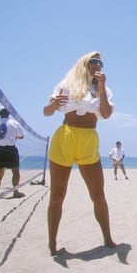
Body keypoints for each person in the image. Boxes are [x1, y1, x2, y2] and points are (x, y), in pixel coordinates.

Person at [43, 51, 116, 256]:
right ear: (84, 64)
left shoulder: (105, 89)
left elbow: (107, 114)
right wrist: (53, 104)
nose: (97, 66)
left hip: (88, 139)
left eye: (100, 63)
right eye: (93, 62)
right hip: (65, 137)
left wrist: (100, 88)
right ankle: (52, 245)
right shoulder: (67, 83)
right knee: (57, 195)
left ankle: (108, 239)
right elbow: (47, 112)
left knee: (98, 195)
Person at [0, 107, 25, 198]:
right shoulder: (14, 123)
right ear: (9, 113)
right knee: (15, 171)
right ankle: (15, 191)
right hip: (10, 149)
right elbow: (21, 136)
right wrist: (14, 137)